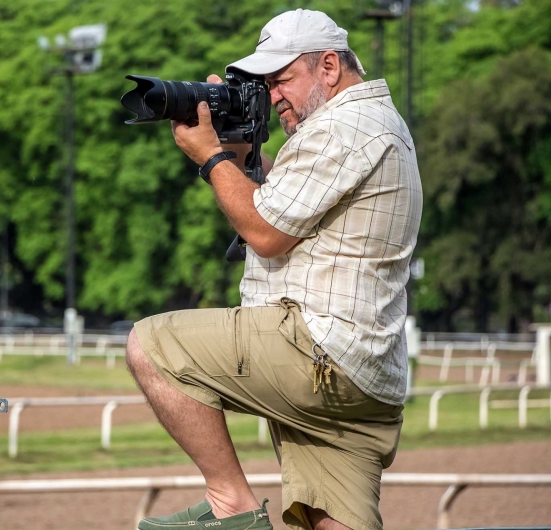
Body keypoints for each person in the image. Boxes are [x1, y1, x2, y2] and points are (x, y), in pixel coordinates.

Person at [125, 8, 422, 530]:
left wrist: (211, 157)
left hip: (318, 352)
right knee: (330, 520)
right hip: (365, 375)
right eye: (265, 84)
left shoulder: (341, 126)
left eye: (282, 80)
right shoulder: (372, 123)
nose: (273, 95)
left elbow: (264, 232)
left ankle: (230, 504)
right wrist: (239, 157)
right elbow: (287, 204)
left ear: (328, 67)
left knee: (152, 346)